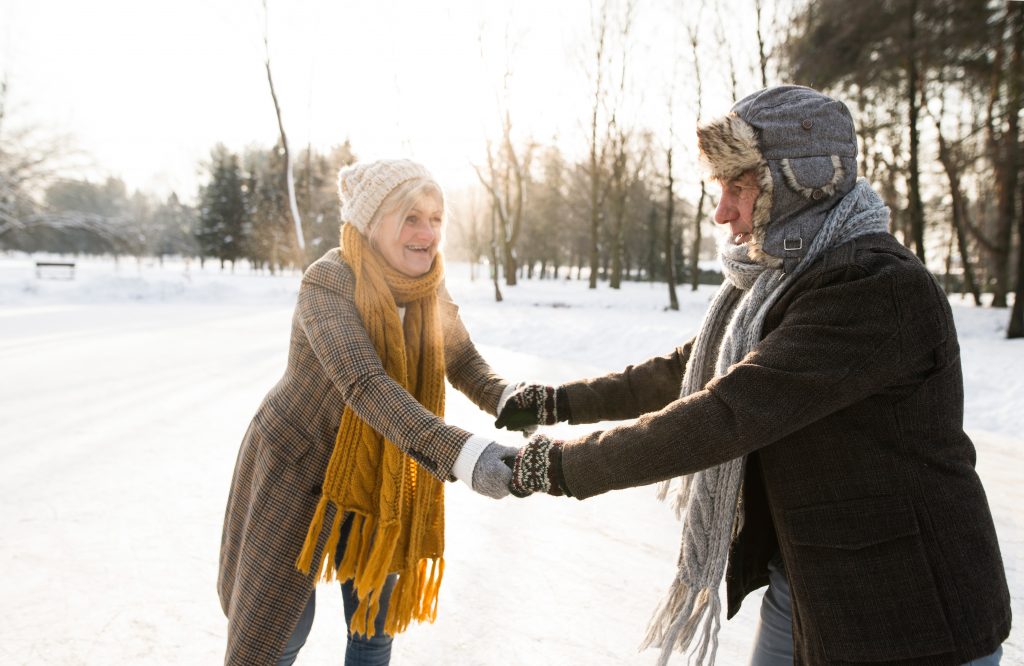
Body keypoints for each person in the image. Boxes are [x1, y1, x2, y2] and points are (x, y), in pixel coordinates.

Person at [497, 86, 1011, 666]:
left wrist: (563, 464)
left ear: (799, 181)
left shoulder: (871, 285)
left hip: (907, 607)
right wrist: (557, 401)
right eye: (720, 188)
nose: (722, 212)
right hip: (811, 579)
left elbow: (729, 412)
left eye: (738, 187)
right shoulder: (787, 279)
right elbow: (685, 370)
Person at [218, 158, 519, 666]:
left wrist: (512, 400)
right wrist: (465, 455)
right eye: (410, 218)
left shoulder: (428, 286)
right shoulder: (329, 280)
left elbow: (461, 359)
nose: (428, 233)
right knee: (280, 632)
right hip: (300, 466)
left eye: (437, 218)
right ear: (368, 222)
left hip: (380, 474)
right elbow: (365, 384)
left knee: (373, 629)